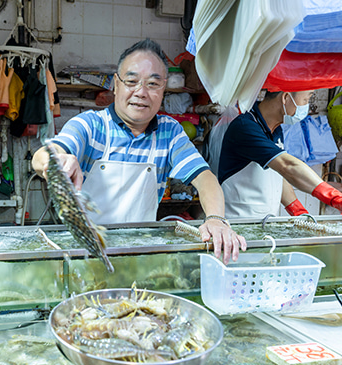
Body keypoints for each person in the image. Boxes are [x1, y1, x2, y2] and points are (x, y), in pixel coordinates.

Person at [32, 39, 246, 264]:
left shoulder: (169, 132)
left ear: (163, 89)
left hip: (140, 256)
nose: (141, 92)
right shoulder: (90, 125)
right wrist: (56, 161)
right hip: (83, 254)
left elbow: (205, 179)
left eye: (153, 84)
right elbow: (44, 155)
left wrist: (215, 219)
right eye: (132, 81)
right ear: (116, 84)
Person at [218, 90, 342, 218]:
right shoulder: (245, 127)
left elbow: (277, 173)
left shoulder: (276, 129)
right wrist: (334, 197)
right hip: (237, 222)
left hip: (264, 223)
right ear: (286, 97)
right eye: (305, 100)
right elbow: (287, 166)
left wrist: (297, 209)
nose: (306, 106)